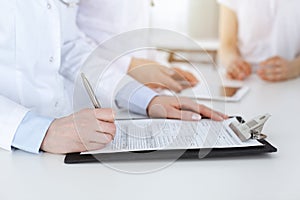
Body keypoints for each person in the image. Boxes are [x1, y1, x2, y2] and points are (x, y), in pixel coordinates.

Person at [0, 0, 227, 155]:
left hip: (62, 141)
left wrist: (146, 99)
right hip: (11, 144)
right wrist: (40, 131)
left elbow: (69, 47)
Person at [77, 0, 199, 93]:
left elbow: (138, 34)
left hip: (136, 90)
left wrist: (163, 70)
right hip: (91, 88)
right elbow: (67, 39)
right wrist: (130, 65)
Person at [218, 0, 300, 82]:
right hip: (245, 80)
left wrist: (294, 67)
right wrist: (233, 62)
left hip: (293, 80)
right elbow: (227, 45)